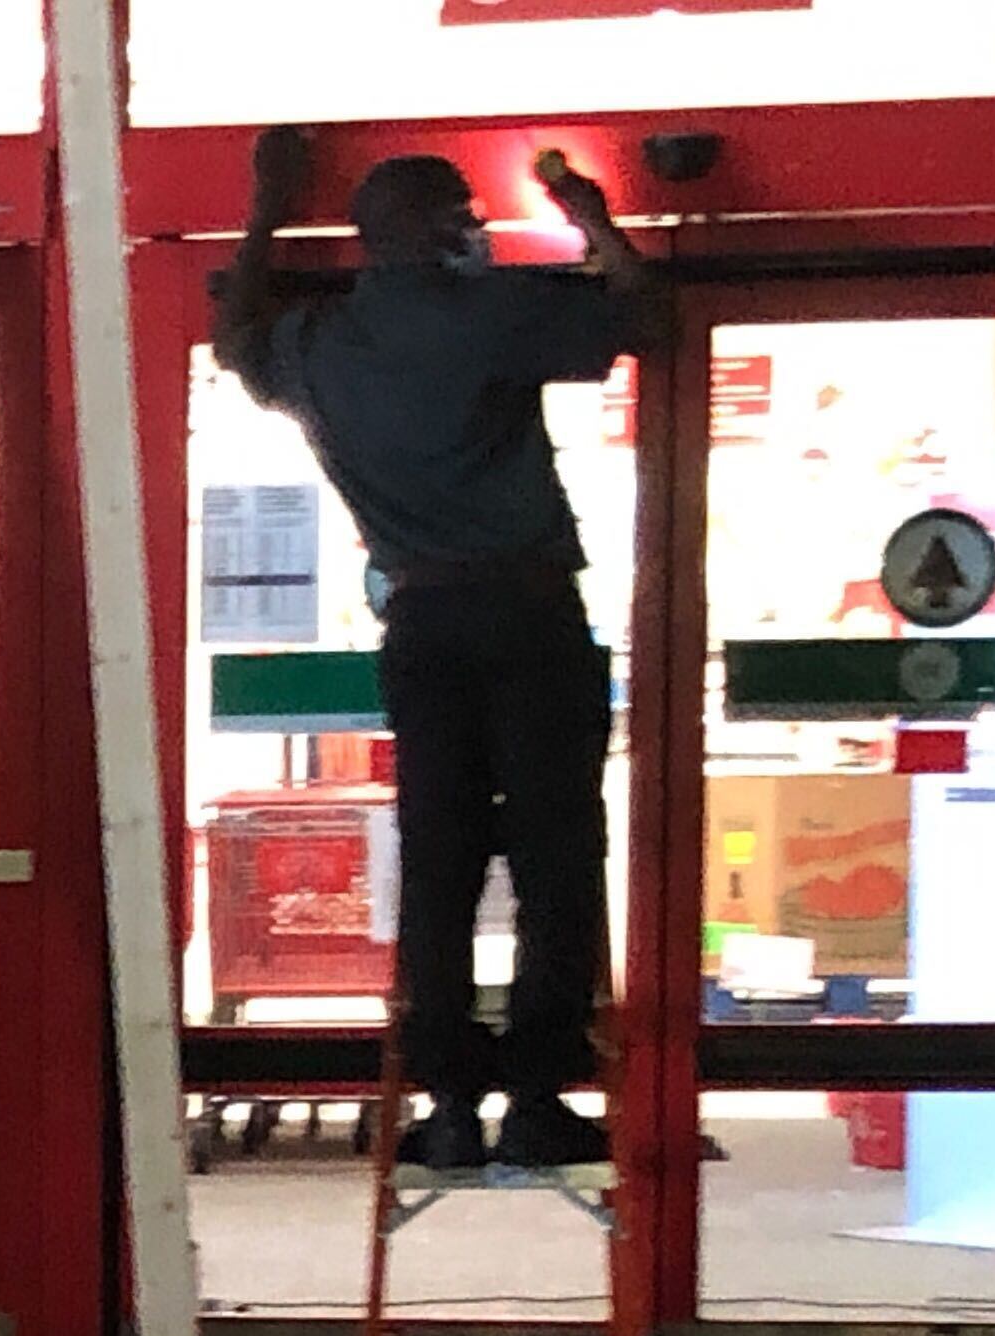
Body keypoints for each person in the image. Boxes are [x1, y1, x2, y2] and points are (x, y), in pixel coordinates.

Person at [217, 132, 666, 1172]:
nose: (474, 228)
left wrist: (267, 205)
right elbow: (648, 314)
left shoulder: (318, 347)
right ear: (421, 232)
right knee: (558, 858)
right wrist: (586, 210)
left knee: (440, 862)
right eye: (461, 212)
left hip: (421, 628)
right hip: (529, 616)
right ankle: (540, 1095)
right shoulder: (490, 317)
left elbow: (234, 331)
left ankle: (451, 1102)